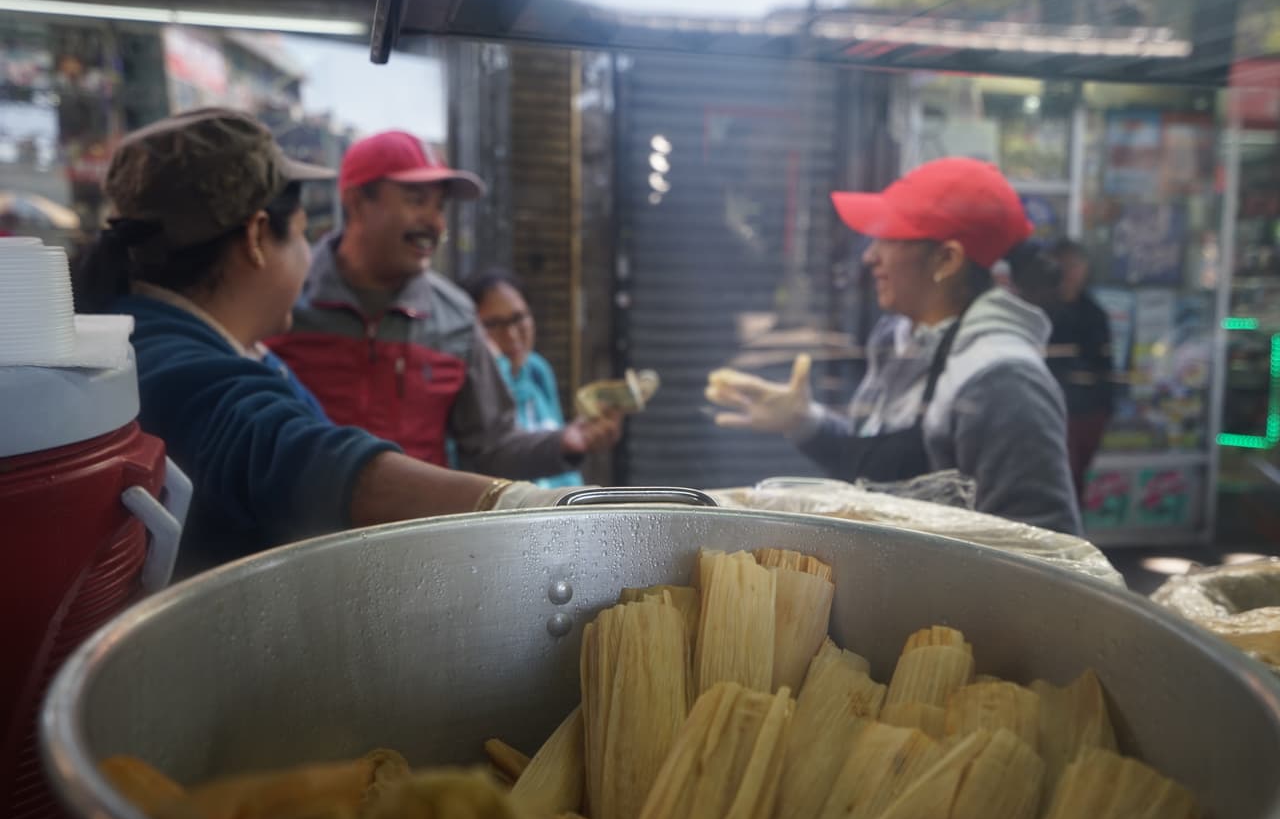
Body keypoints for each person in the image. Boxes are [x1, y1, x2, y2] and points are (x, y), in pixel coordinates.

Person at [73, 108, 574, 574]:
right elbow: (283, 450)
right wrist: (523, 506)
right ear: (256, 238)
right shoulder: (162, 357)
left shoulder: (232, 345)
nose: (434, 221)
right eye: (297, 234)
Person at [706, 157, 1082, 535]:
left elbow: (1048, 546)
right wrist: (805, 423)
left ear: (947, 259)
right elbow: (877, 477)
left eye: (890, 236)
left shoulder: (1001, 378)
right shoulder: (905, 343)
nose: (870, 255)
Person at [265, 131, 620, 482]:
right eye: (416, 200)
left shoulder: (457, 319)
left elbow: (491, 449)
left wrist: (566, 443)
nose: (435, 223)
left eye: (439, 206)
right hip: (302, 537)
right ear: (357, 203)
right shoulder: (284, 296)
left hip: (414, 536)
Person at [463, 267, 584, 489]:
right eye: (492, 324)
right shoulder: (468, 382)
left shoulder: (537, 370)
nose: (511, 335)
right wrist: (496, 366)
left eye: (518, 318)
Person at [1042, 238, 1115, 499]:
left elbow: (1104, 368)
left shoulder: (1094, 314)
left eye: (1075, 266)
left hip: (1085, 414)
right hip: (1044, 413)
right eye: (1062, 266)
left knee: (1073, 484)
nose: (1069, 273)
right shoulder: (1037, 312)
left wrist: (1103, 410)